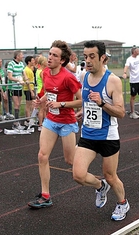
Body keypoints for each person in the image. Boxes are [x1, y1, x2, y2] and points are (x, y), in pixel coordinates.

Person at [73, 40, 129, 221]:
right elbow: (87, 101)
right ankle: (100, 186)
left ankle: (122, 203)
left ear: (102, 58)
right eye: (85, 57)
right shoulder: (83, 76)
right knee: (78, 175)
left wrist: (102, 103)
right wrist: (84, 110)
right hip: (88, 134)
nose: (87, 61)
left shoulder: (113, 81)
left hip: (107, 136)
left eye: (92, 57)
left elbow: (121, 112)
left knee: (111, 176)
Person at [27, 40, 82, 209]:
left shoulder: (68, 77)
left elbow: (81, 100)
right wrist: (40, 100)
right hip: (51, 121)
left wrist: (62, 104)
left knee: (70, 160)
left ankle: (89, 155)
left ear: (62, 61)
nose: (49, 57)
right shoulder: (44, 73)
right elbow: (49, 93)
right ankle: (45, 195)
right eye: (49, 54)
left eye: (54, 55)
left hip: (66, 122)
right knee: (42, 156)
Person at [7, 50, 27, 130]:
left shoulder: (22, 64)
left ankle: (17, 121)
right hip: (13, 87)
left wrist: (26, 80)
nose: (23, 56)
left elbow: (24, 74)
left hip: (19, 87)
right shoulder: (11, 64)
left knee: (19, 105)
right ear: (17, 56)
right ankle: (15, 123)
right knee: (16, 104)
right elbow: (10, 77)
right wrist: (18, 80)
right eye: (21, 55)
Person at [35, 55, 48, 131]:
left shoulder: (38, 70)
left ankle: (44, 123)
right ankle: (40, 124)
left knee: (44, 108)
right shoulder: (41, 72)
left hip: (39, 90)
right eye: (46, 61)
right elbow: (44, 83)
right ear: (43, 62)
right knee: (43, 108)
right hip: (42, 91)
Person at [23, 55, 36, 126]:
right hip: (28, 89)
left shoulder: (29, 69)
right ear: (29, 62)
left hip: (31, 88)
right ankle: (27, 120)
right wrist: (31, 91)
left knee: (32, 104)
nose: (34, 61)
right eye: (32, 60)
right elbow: (28, 82)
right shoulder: (26, 70)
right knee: (28, 105)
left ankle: (30, 119)